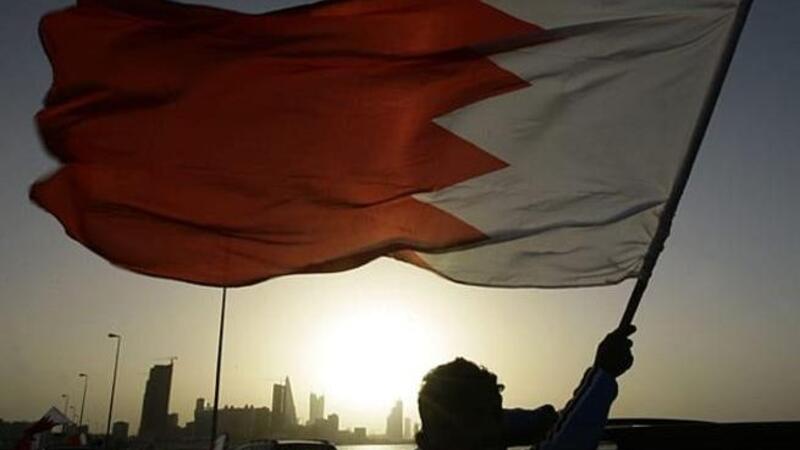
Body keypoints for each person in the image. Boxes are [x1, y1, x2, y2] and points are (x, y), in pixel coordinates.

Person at [416, 325, 636, 450]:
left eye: (495, 413)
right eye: (480, 416)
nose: (494, 428)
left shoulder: (452, 434)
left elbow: (519, 421)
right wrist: (603, 374)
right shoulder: (483, 435)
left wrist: (547, 419)